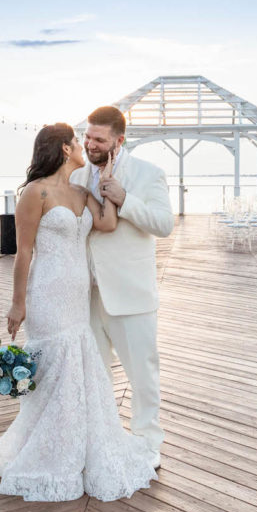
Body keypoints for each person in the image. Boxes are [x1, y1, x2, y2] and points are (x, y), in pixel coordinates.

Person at [0, 123, 156, 502]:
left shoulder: (81, 191)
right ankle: (51, 451)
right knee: (55, 369)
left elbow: (108, 224)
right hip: (47, 292)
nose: (83, 146)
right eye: (78, 141)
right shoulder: (35, 191)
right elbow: (23, 252)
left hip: (77, 295)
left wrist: (107, 185)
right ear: (64, 149)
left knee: (77, 367)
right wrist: (18, 303)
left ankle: (78, 445)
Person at [70, 106, 174, 470]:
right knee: (95, 377)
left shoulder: (148, 174)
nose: (90, 144)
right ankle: (103, 439)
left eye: (99, 139)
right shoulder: (77, 175)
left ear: (119, 140)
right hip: (86, 295)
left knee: (142, 376)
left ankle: (147, 442)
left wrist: (124, 198)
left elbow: (164, 225)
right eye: (87, 137)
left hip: (130, 295)